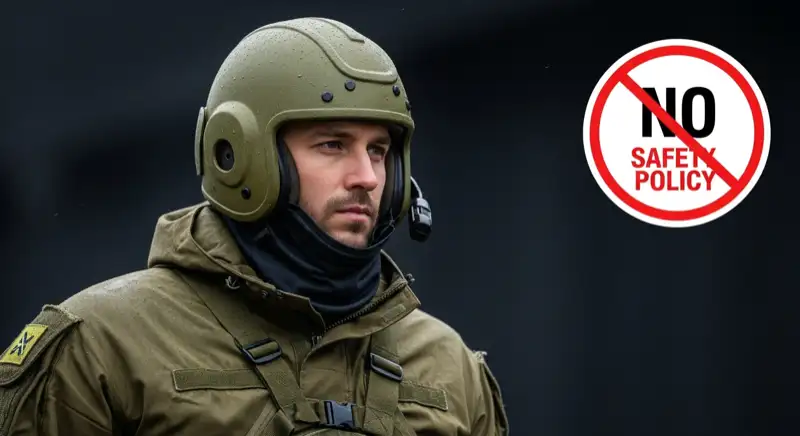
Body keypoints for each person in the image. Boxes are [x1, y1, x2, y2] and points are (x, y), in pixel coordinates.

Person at [0, 17, 509, 436]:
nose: (367, 177)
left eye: (378, 151)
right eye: (333, 145)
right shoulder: (102, 348)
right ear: (238, 155)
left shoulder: (452, 372)